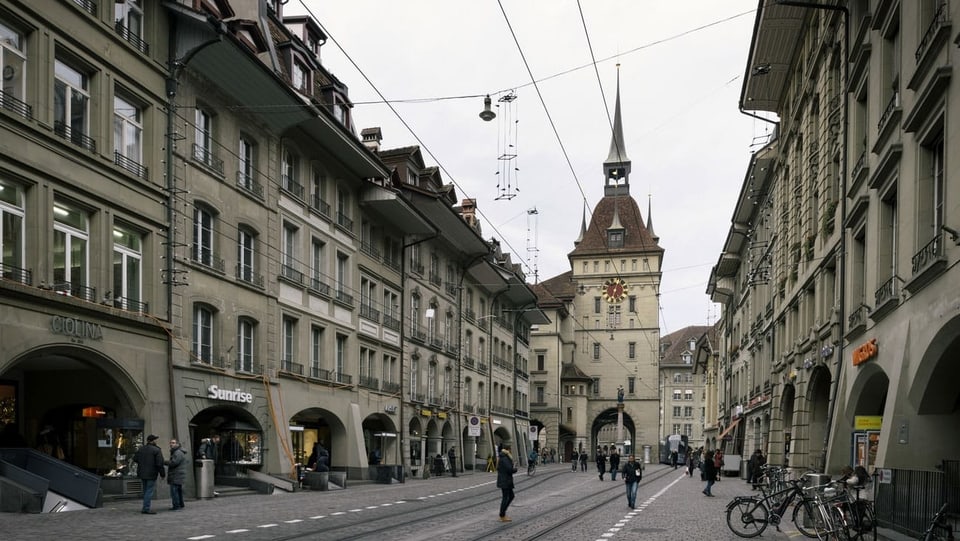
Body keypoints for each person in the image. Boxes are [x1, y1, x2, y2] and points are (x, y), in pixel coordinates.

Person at [133, 434, 165, 514]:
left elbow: (135, 459)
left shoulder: (141, 449)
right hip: (151, 473)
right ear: (153, 441)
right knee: (149, 491)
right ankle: (146, 508)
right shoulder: (156, 450)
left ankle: (145, 506)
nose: (156, 441)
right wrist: (162, 474)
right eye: (155, 440)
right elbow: (159, 463)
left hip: (142, 473)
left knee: (145, 490)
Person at [496, 443, 517, 522]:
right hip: (505, 481)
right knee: (506, 497)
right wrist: (514, 468)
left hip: (506, 480)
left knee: (511, 496)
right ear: (508, 450)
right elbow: (509, 469)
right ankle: (502, 515)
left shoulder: (503, 457)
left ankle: (503, 514)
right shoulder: (505, 458)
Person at [166, 438, 187, 511]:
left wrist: (165, 462)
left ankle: (176, 506)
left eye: (173, 443)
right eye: (171, 443)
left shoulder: (177, 452)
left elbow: (174, 463)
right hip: (178, 474)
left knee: (174, 491)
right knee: (178, 490)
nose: (171, 444)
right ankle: (180, 504)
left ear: (177, 444)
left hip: (176, 474)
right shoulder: (177, 452)